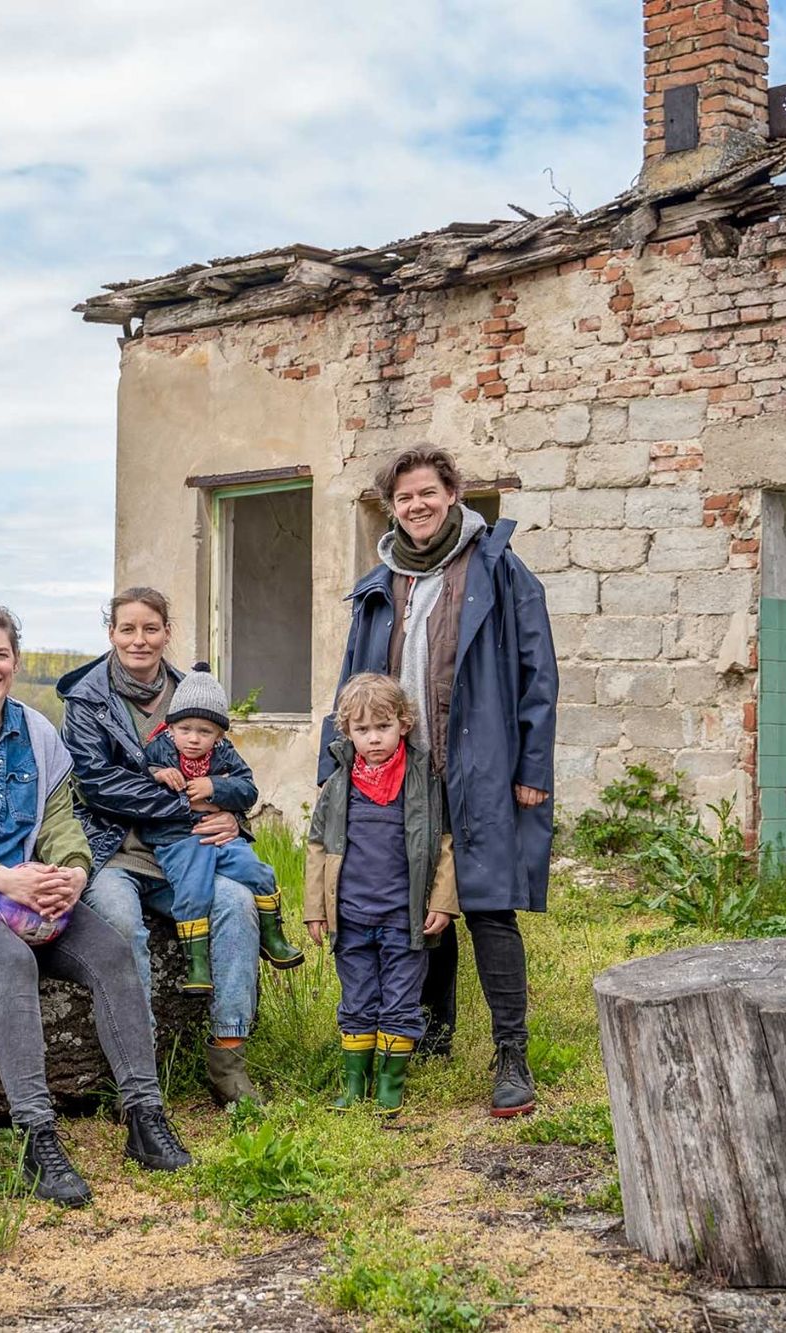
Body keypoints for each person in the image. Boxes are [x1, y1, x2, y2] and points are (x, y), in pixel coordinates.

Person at [0, 604, 193, 1207]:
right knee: (12, 966)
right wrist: (3, 877)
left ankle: (144, 1115)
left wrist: (74, 874)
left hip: (31, 888)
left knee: (110, 952)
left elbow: (60, 821)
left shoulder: (37, 730)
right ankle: (37, 1138)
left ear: (15, 659)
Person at [322, 446, 558, 1117]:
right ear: (391, 507)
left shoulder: (498, 570)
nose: (417, 505)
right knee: (419, 897)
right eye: (404, 498)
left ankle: (511, 1052)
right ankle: (432, 1031)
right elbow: (351, 678)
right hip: (399, 770)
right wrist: (331, 763)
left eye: (428, 492)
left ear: (452, 494)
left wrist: (532, 767)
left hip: (480, 761)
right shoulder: (382, 582)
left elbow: (537, 673)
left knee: (486, 902)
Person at [58, 588, 285, 1108]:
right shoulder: (86, 700)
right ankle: (139, 1071)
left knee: (237, 903)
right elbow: (98, 785)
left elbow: (228, 772)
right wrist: (190, 808)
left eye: (150, 629)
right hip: (114, 849)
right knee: (119, 919)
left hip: (187, 851)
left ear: (166, 633)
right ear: (111, 634)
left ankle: (228, 1058)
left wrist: (230, 812)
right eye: (127, 629)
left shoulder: (194, 693)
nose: (140, 640)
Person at [304, 674, 457, 1113]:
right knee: (357, 998)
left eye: (383, 727)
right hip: (350, 918)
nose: (374, 739)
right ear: (348, 732)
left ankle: (390, 1086)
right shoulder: (338, 786)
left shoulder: (422, 782)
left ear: (404, 725)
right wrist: (316, 910)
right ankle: (356, 1084)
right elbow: (317, 847)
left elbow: (444, 844)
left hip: (403, 918)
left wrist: (442, 902)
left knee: (401, 1000)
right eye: (363, 730)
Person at [141, 665, 303, 994]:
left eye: (205, 731)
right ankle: (197, 964)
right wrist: (157, 775)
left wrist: (215, 787)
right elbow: (137, 783)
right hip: (180, 840)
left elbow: (248, 791)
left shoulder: (226, 755)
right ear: (170, 728)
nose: (194, 738)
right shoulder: (157, 750)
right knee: (194, 890)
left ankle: (274, 937)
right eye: (185, 728)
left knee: (257, 871)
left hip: (222, 836)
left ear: (220, 735)